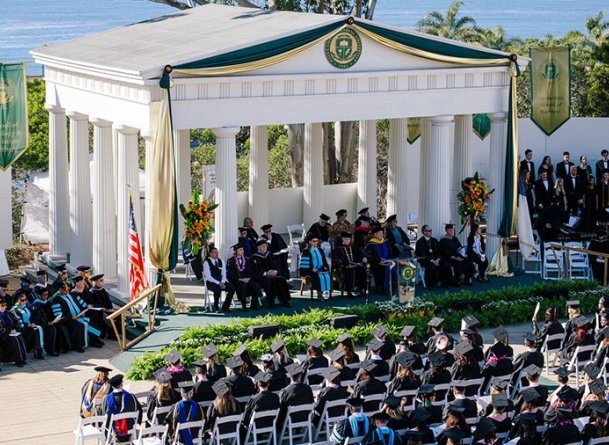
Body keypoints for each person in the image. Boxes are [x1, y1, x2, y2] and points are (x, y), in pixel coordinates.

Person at [250, 239, 291, 308]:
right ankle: (269, 302)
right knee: (269, 281)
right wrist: (266, 273)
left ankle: (284, 300)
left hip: (272, 275)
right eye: (263, 246)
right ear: (258, 247)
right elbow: (255, 271)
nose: (265, 248)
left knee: (281, 279)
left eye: (265, 246)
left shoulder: (269, 254)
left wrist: (276, 271)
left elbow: (276, 265)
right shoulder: (254, 257)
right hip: (261, 277)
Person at [101, 374, 142, 443]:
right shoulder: (131, 396)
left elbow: (104, 414)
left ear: (112, 387)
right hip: (129, 428)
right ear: (121, 384)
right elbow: (138, 410)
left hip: (114, 429)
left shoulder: (106, 399)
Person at [240, 372, 280, 437]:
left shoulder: (253, 399)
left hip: (255, 426)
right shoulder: (275, 397)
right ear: (268, 384)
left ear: (258, 384)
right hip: (270, 425)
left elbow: (245, 418)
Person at [278, 363, 314, 431]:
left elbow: (281, 408)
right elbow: (311, 402)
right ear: (300, 375)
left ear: (290, 376)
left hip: (290, 419)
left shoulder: (285, 391)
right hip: (305, 417)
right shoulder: (307, 388)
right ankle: (298, 429)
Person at [226, 243, 261, 311]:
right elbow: (231, 274)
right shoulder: (231, 261)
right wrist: (240, 279)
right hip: (237, 280)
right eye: (240, 250)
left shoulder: (247, 259)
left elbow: (251, 270)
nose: (243, 251)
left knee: (254, 284)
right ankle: (243, 304)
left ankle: (254, 303)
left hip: (247, 279)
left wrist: (248, 278)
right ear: (236, 251)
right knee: (242, 286)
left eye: (243, 250)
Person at [365, 226, 398, 295]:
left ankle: (393, 288)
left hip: (386, 262)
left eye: (382, 233)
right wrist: (379, 262)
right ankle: (382, 288)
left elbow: (390, 253)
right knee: (383, 269)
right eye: (379, 233)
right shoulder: (370, 244)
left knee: (394, 267)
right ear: (375, 234)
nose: (381, 235)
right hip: (375, 264)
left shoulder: (385, 242)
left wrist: (389, 260)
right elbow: (369, 256)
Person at [11, 293, 45, 359]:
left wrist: (33, 323)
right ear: (17, 301)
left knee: (37, 328)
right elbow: (18, 322)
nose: (25, 301)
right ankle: (38, 351)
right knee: (36, 330)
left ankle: (37, 351)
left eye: (25, 299)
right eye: (22, 300)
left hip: (29, 327)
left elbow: (32, 317)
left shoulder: (26, 308)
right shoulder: (15, 310)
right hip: (22, 330)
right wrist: (28, 325)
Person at [333, 232, 366, 298]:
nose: (347, 241)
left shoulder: (354, 247)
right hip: (344, 267)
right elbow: (336, 259)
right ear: (342, 239)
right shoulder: (338, 249)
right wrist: (345, 265)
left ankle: (360, 289)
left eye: (349, 239)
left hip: (355, 265)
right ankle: (349, 291)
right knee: (349, 272)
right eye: (346, 239)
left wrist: (363, 258)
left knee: (362, 270)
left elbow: (360, 254)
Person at [415, 224, 450, 289]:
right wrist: (432, 261)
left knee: (446, 264)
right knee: (431, 266)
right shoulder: (419, 242)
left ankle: (445, 283)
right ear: (424, 232)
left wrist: (437, 259)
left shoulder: (434, 240)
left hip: (436, 259)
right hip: (425, 260)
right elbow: (422, 254)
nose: (431, 232)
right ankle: (430, 284)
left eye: (431, 230)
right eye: (429, 231)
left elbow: (439, 251)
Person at [29, 285, 60, 356]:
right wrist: (47, 323)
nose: (46, 296)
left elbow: (51, 314)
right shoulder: (35, 305)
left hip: (50, 323)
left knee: (60, 327)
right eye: (44, 295)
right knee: (52, 330)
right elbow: (36, 319)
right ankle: (51, 350)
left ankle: (58, 348)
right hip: (42, 325)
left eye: (47, 294)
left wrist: (55, 320)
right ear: (39, 296)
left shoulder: (47, 303)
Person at [203, 246, 236, 313]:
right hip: (211, 282)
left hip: (221, 281)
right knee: (217, 289)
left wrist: (223, 282)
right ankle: (216, 307)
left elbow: (224, 273)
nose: (217, 254)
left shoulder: (221, 261)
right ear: (210, 254)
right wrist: (218, 283)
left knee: (232, 288)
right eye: (215, 252)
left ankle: (226, 306)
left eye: (217, 252)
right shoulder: (207, 262)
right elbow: (208, 276)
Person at [300, 235, 332, 299]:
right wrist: (311, 269)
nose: (315, 242)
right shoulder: (306, 251)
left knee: (327, 275)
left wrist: (325, 267)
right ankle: (319, 294)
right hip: (310, 271)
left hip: (320, 269)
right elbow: (304, 263)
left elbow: (324, 260)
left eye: (317, 241)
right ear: (310, 242)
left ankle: (326, 292)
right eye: (313, 241)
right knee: (318, 277)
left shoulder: (320, 250)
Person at [0, 296, 28, 366]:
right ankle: (14, 360)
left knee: (19, 337)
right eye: (2, 306)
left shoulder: (8, 313)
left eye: (5, 305)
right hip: (3, 335)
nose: (4, 307)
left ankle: (21, 359)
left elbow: (15, 323)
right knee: (14, 340)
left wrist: (15, 329)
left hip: (10, 333)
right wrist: (9, 331)